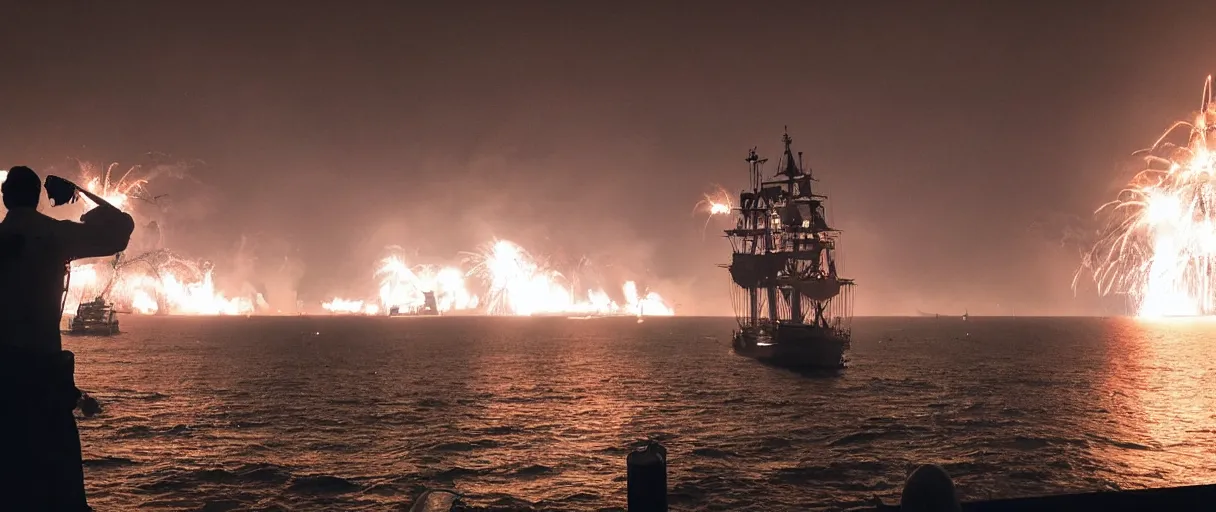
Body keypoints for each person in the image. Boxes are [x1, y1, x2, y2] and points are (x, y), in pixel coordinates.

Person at [0, 166, 134, 510]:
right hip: (46, 384)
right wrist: (80, 191)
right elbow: (121, 229)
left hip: (6, 386)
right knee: (62, 493)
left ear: (4, 198)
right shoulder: (56, 237)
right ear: (39, 198)